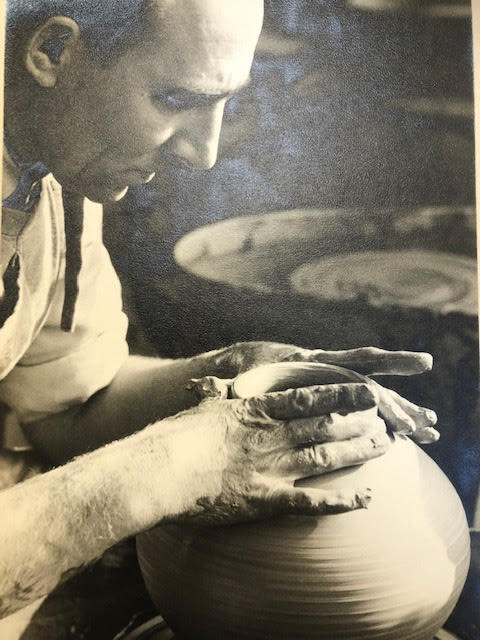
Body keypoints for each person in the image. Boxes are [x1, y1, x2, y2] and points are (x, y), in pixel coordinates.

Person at [0, 0, 439, 632]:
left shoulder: (58, 165)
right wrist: (172, 467)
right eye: (175, 100)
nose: (203, 153)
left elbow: (64, 409)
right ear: (53, 52)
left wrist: (239, 374)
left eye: (224, 102)